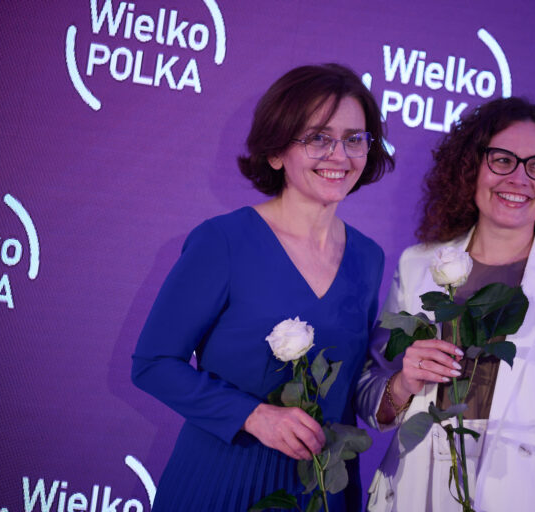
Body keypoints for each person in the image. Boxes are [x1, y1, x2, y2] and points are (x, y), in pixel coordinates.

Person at [131, 63, 393, 511]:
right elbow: (153, 364)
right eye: (318, 138)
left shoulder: (369, 258)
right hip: (221, 486)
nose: (339, 155)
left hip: (320, 493)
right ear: (275, 152)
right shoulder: (224, 241)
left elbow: (350, 390)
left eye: (354, 138)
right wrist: (253, 416)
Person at [357, 97, 535, 511]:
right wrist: (402, 384)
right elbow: (369, 392)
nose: (520, 179)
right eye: (503, 160)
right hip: (414, 488)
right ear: (472, 167)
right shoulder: (417, 265)